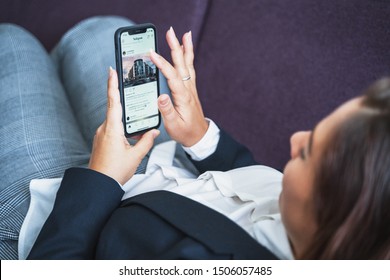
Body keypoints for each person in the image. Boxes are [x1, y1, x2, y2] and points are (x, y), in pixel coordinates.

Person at [0, 16, 389, 260]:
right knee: (99, 30)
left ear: (338, 224)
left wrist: (101, 176)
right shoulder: (310, 221)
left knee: (12, 43)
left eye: (308, 154)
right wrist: (200, 136)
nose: (295, 139)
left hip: (59, 220)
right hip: (157, 165)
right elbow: (249, 179)